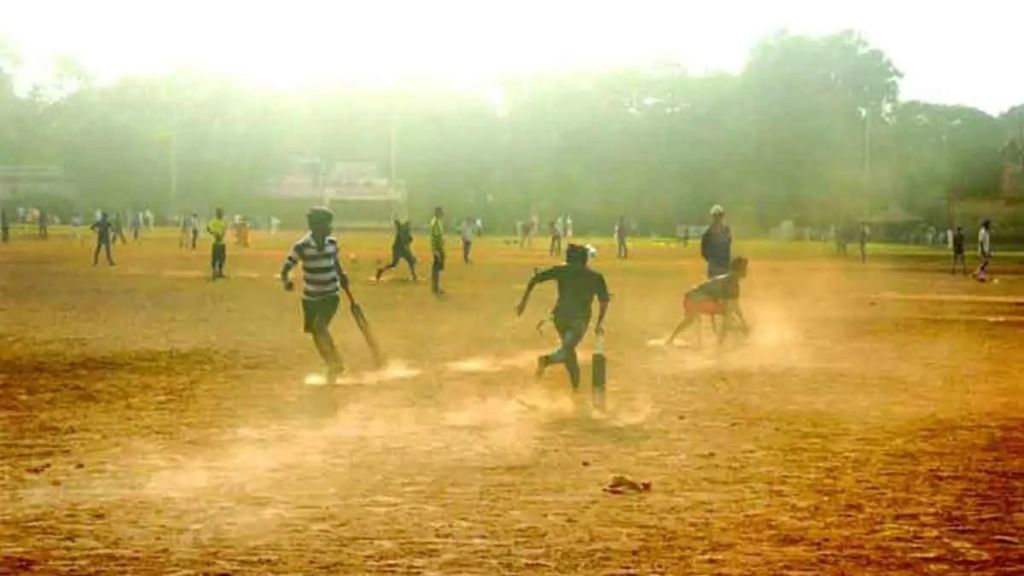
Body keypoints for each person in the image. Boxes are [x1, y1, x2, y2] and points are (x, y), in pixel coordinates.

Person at [516, 243, 610, 390]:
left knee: (568, 350)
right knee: (567, 349)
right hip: (579, 319)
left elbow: (535, 278)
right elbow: (604, 301)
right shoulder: (595, 277)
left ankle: (575, 387)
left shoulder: (561, 270)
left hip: (560, 317)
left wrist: (523, 303)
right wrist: (599, 322)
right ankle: (547, 360)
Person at [281, 207, 358, 383]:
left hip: (330, 295)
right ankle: (331, 364)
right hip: (310, 298)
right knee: (316, 333)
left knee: (319, 327)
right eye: (326, 224)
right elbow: (286, 267)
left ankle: (335, 362)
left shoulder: (332, 243)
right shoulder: (302, 246)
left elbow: (335, 263)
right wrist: (286, 281)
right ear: (316, 226)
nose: (330, 227)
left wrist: (343, 277)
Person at [666, 257, 749, 346]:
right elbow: (734, 307)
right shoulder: (732, 282)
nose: (746, 271)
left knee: (689, 319)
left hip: (690, 299)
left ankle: (670, 339)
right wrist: (743, 325)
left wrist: (742, 324)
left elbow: (734, 306)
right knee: (727, 313)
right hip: (699, 301)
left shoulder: (728, 279)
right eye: (745, 268)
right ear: (740, 269)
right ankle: (720, 344)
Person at [376, 217, 418, 282]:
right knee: (394, 264)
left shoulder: (405, 232)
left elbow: (407, 243)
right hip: (398, 249)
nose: (409, 228)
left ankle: (414, 276)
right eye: (408, 226)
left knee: (409, 261)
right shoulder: (403, 231)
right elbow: (404, 240)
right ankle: (381, 270)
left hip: (401, 249)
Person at [701, 205, 731, 278]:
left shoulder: (726, 230)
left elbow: (728, 245)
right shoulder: (708, 233)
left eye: (719, 215)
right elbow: (703, 250)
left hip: (725, 265)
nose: (718, 218)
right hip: (714, 265)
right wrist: (712, 259)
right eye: (716, 216)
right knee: (713, 286)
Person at [207, 208, 228, 280]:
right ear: (217, 214)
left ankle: (220, 272)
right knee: (215, 258)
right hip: (215, 242)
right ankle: (214, 272)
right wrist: (214, 234)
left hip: (222, 242)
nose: (221, 214)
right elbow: (208, 228)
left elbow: (224, 229)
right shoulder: (213, 221)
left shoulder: (224, 221)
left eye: (221, 213)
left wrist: (222, 235)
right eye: (219, 213)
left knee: (222, 258)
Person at [430, 207, 446, 296]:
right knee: (438, 268)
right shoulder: (436, 223)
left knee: (438, 268)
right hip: (438, 248)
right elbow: (437, 237)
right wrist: (437, 250)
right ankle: (436, 287)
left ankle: (436, 287)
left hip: (438, 247)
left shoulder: (437, 222)